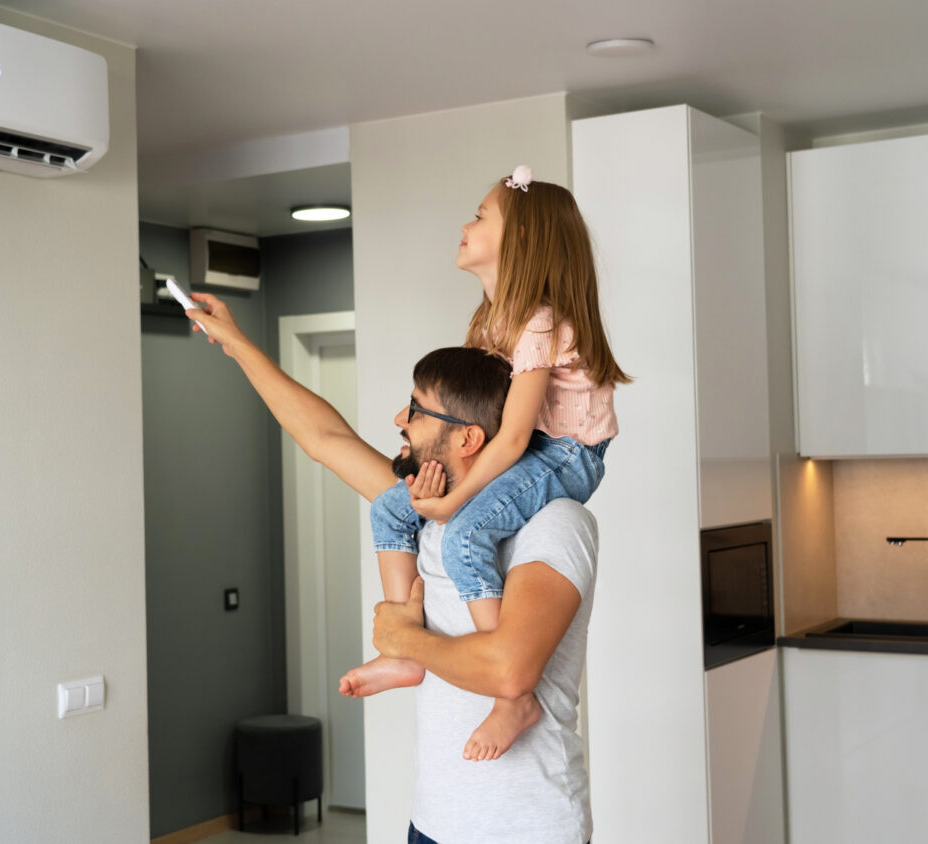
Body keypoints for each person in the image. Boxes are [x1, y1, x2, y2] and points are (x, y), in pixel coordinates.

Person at [186, 295, 597, 844]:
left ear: (468, 438)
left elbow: (510, 672)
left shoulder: (555, 523)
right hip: (432, 823)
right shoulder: (430, 509)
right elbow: (325, 440)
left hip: (523, 829)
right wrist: (236, 343)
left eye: (417, 410)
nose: (400, 420)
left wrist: (406, 641)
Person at [337, 165, 629, 761]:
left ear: (519, 241)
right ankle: (403, 648)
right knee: (394, 509)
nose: (465, 226)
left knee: (465, 530)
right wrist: (422, 461)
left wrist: (451, 500)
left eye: (480, 216)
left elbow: (516, 436)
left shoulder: (540, 321)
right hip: (523, 446)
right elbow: (476, 420)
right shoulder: (488, 321)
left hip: (566, 453)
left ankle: (510, 696)